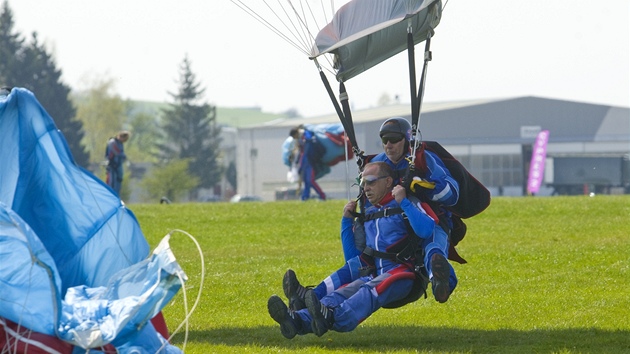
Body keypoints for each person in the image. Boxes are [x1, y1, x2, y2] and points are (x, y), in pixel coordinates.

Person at [281, 117, 460, 312]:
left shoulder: (424, 160)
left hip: (428, 217)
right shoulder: (377, 164)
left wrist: (424, 187)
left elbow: (453, 194)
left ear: (406, 139)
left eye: (393, 139)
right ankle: (306, 299)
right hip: (391, 224)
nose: (388, 145)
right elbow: (368, 203)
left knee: (432, 245)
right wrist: (349, 219)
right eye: (384, 140)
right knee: (357, 261)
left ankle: (442, 283)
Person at [268, 162, 439, 338]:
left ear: (388, 182)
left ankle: (333, 316)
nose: (366, 188)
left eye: (371, 182)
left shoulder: (407, 203)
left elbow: (427, 230)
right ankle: (297, 319)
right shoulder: (369, 213)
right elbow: (352, 257)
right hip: (375, 273)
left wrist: (403, 201)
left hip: (404, 275)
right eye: (363, 183)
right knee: (343, 290)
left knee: (368, 289)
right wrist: (346, 221)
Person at [291, 126, 326, 201]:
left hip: (310, 161)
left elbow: (309, 140)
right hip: (304, 161)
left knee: (310, 180)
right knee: (305, 180)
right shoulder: (300, 139)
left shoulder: (305, 134)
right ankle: (305, 197)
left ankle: (322, 196)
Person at [105, 130, 130, 196]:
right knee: (112, 182)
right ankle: (111, 196)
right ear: (122, 136)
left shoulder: (120, 143)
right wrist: (123, 156)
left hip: (118, 165)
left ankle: (116, 195)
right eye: (125, 139)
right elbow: (117, 152)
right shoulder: (112, 142)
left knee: (119, 180)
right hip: (112, 165)